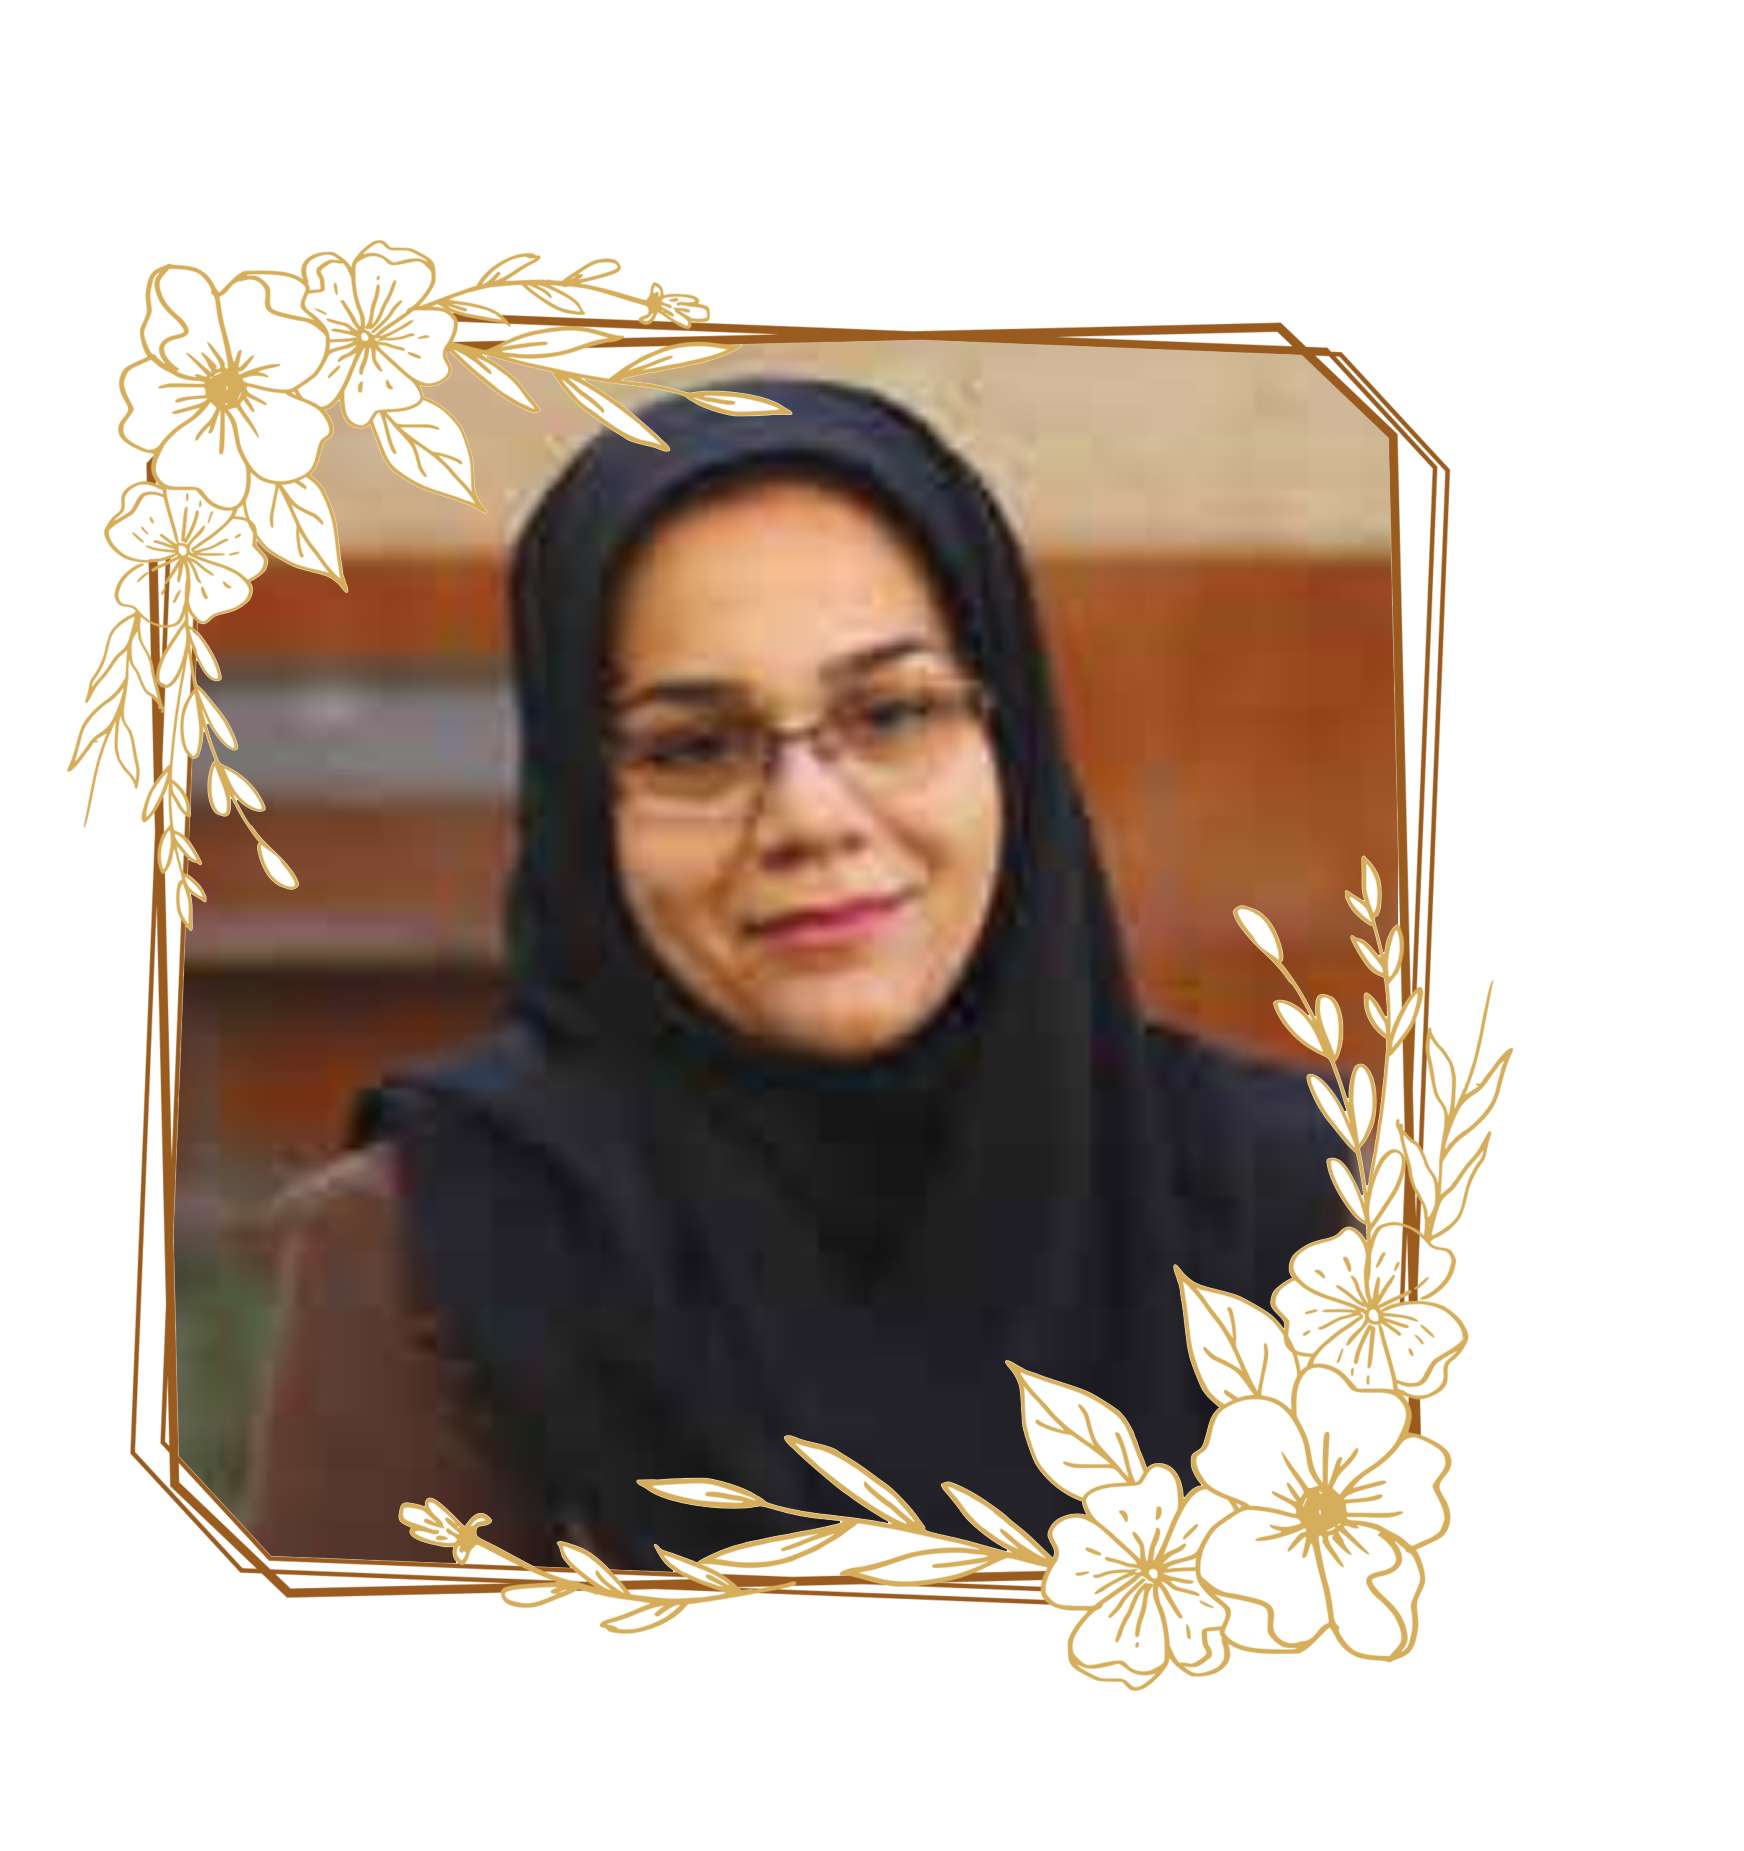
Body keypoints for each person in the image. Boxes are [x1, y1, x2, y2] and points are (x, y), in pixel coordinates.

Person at [246, 380, 1342, 1567]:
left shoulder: (1312, 1203)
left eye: (891, 713)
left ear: (1010, 740)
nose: (812, 819)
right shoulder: (433, 1254)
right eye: (694, 747)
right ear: (580, 806)